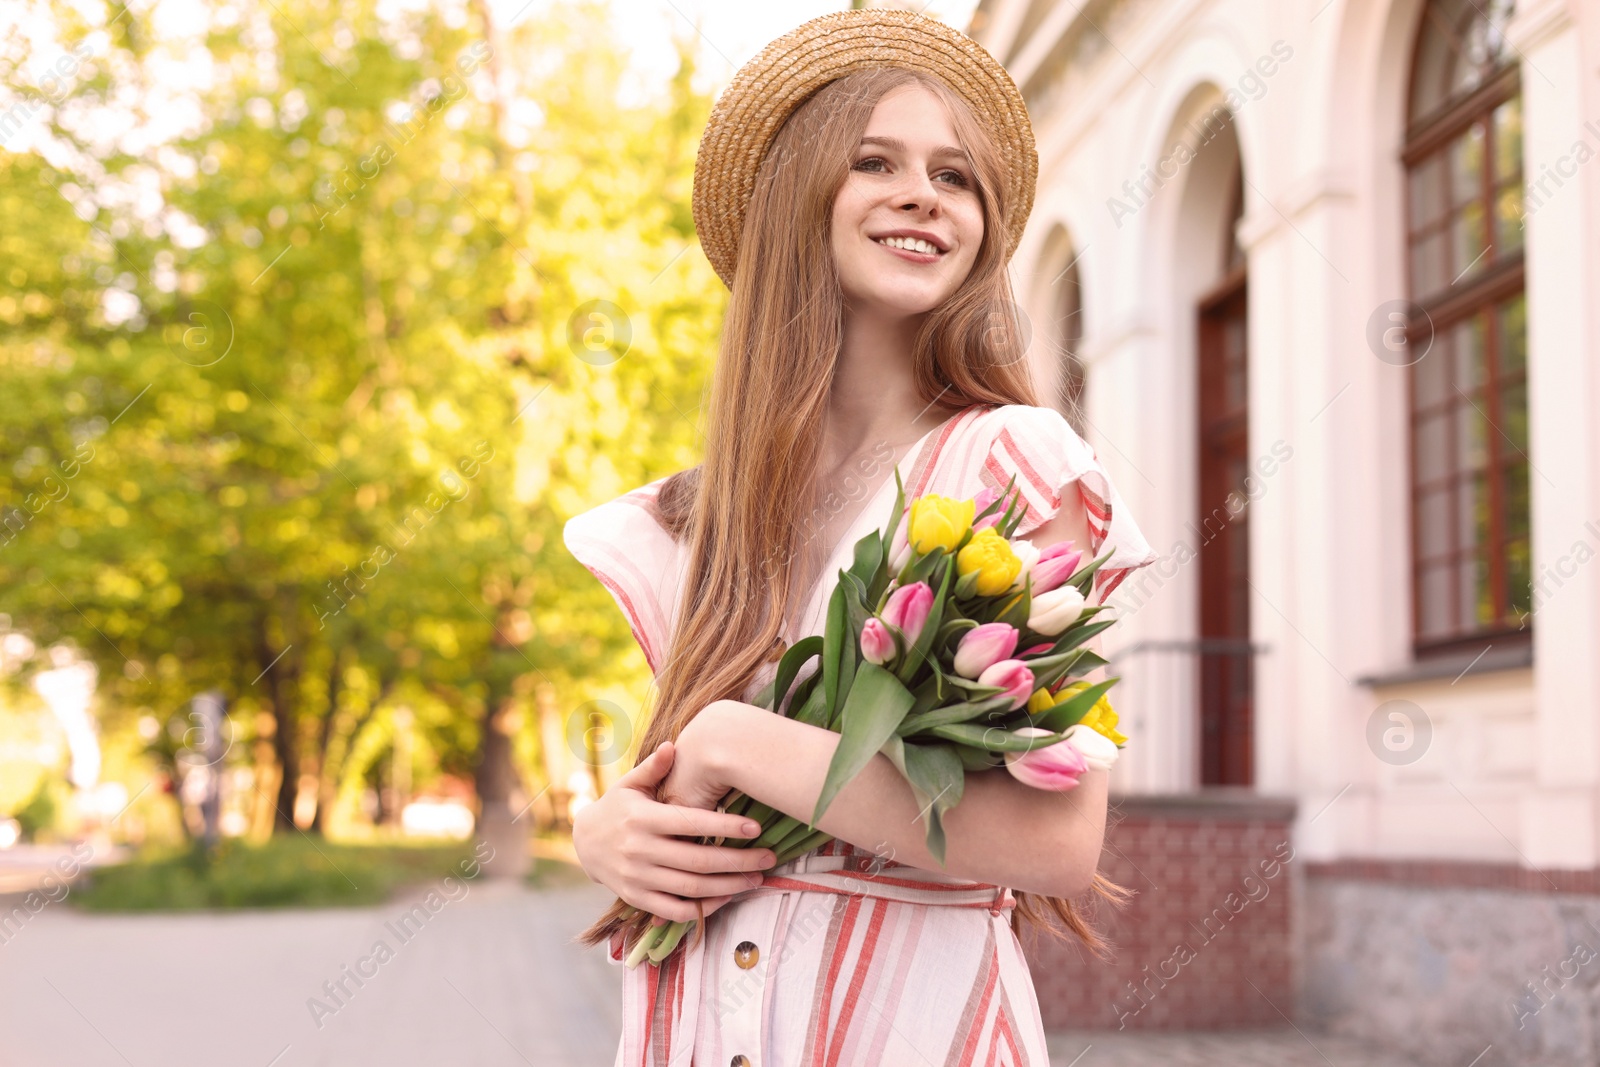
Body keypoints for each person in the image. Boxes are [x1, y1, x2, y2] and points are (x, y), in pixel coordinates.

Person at [562, 11, 1158, 1066]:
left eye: (956, 176)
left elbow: (1055, 840)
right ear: (800, 200)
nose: (923, 193)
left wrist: (731, 739)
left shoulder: (1011, 465)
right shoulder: (699, 515)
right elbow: (676, 791)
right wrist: (605, 829)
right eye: (873, 160)